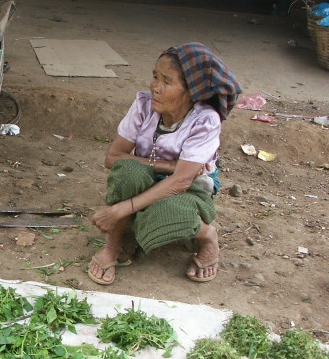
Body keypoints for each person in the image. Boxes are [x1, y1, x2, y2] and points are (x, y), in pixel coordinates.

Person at [87, 42, 241, 285]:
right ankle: (113, 244)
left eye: (166, 82)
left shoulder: (206, 121)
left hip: (189, 189)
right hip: (153, 179)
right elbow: (113, 158)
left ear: (191, 91)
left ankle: (207, 236)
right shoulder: (144, 105)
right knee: (128, 172)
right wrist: (166, 166)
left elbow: (181, 181)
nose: (155, 87)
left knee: (165, 213)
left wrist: (119, 209)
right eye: (154, 76)